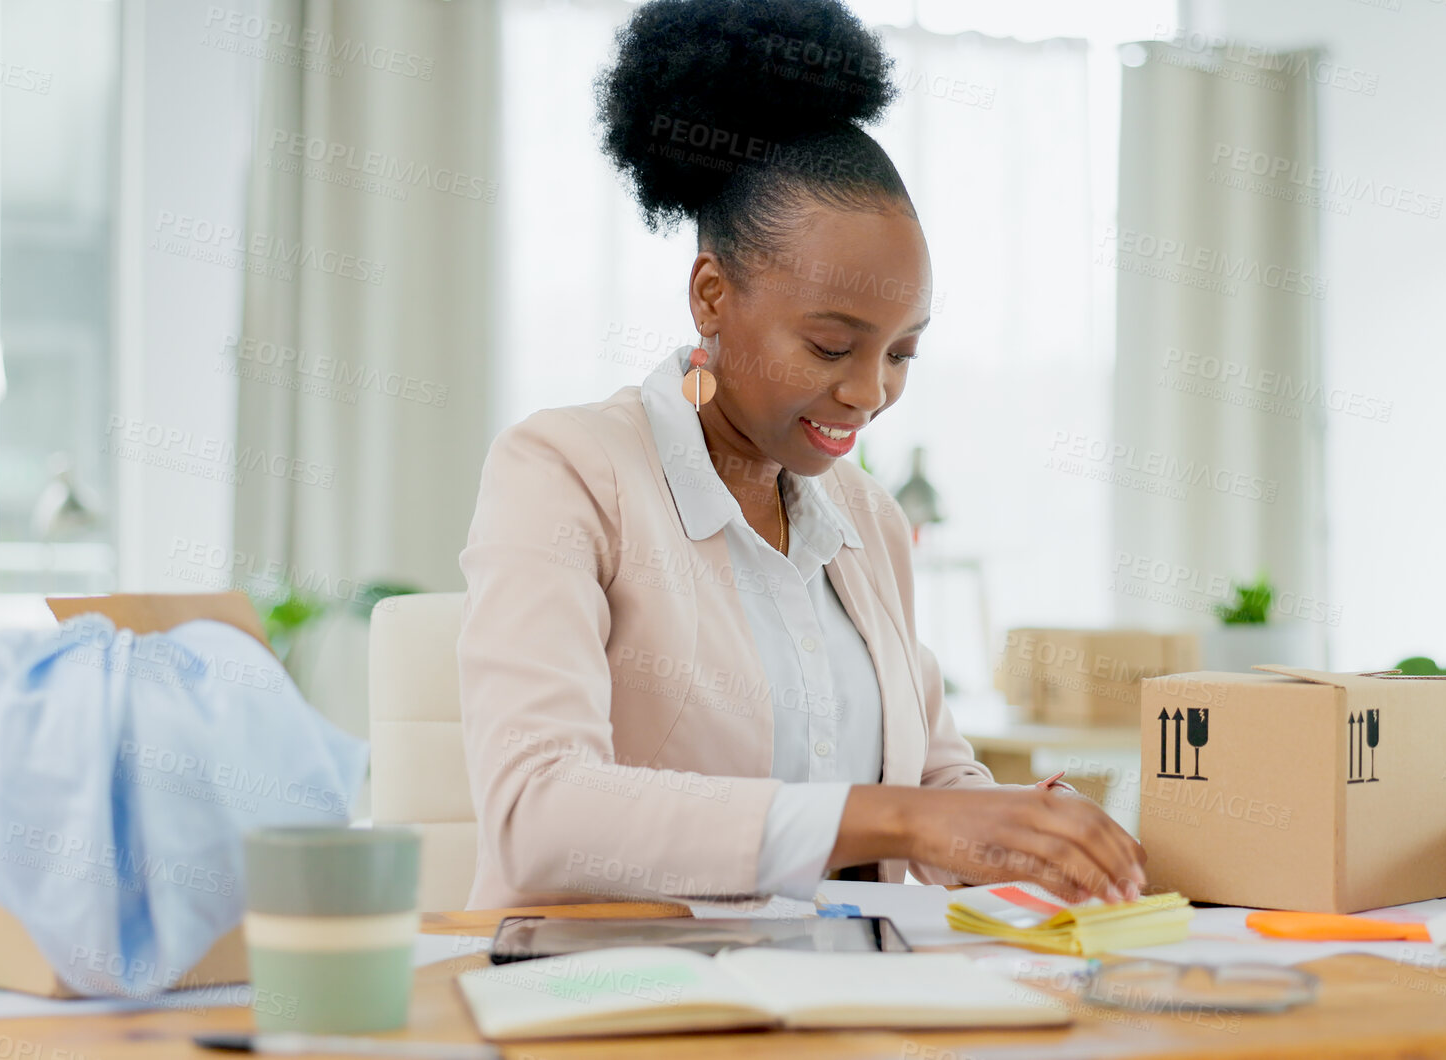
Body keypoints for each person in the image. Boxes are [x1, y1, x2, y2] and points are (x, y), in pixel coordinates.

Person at [457, 0, 1145, 910]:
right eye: (830, 346)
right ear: (712, 296)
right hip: (621, 1006)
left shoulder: (866, 519)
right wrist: (887, 819)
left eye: (901, 352)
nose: (870, 393)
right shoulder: (566, 473)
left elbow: (933, 781)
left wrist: (1023, 830)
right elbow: (537, 814)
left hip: (842, 1004)